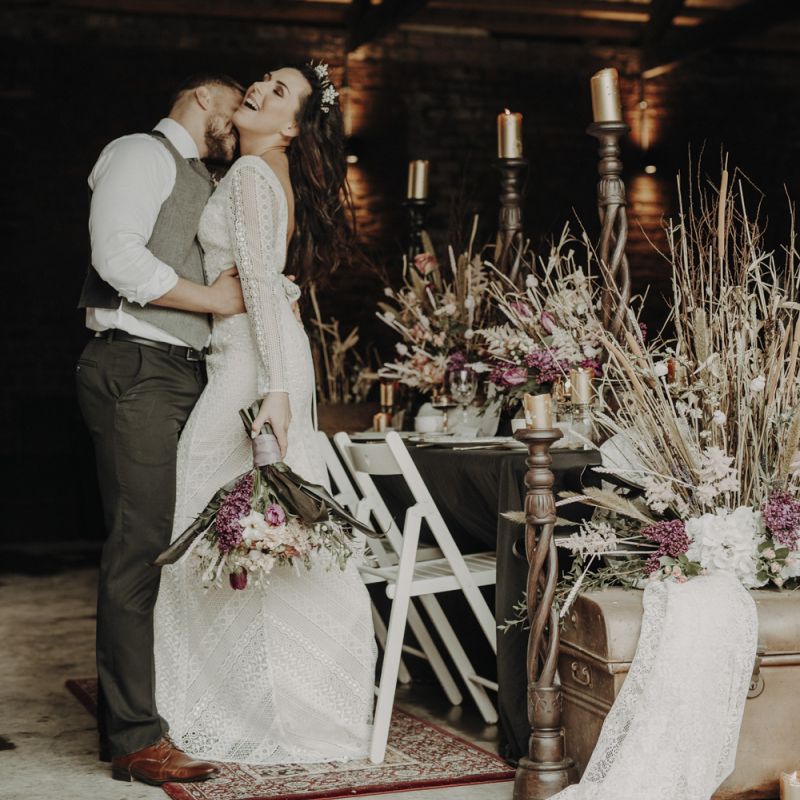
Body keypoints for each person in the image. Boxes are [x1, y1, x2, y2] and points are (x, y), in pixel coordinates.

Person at [153, 63, 377, 767]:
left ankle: (250, 708)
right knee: (253, 533)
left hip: (254, 368)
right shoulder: (255, 171)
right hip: (254, 359)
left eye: (279, 92)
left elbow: (255, 283)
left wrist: (275, 391)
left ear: (291, 128)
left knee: (242, 525)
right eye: (264, 80)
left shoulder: (251, 176)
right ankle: (253, 699)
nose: (258, 89)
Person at [76, 73, 245, 784]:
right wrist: (211, 299)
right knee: (139, 545)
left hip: (181, 373)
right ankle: (137, 739)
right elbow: (114, 256)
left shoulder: (207, 179)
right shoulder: (141, 154)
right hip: (135, 367)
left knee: (166, 542)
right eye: (235, 109)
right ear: (204, 96)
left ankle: (131, 716)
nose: (237, 126)